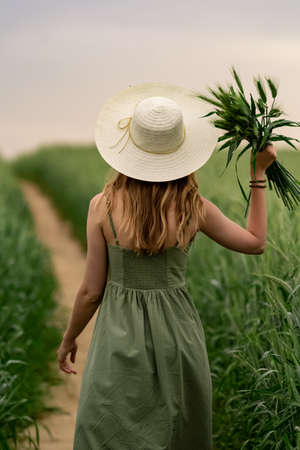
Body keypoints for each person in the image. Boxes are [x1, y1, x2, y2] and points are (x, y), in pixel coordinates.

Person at [56, 83, 277, 450]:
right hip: (179, 336)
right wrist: (258, 173)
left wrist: (69, 339)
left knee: (109, 429)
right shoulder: (195, 207)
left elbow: (91, 291)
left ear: (129, 149)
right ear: (181, 151)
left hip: (118, 338)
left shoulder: (103, 206)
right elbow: (255, 243)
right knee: (177, 431)